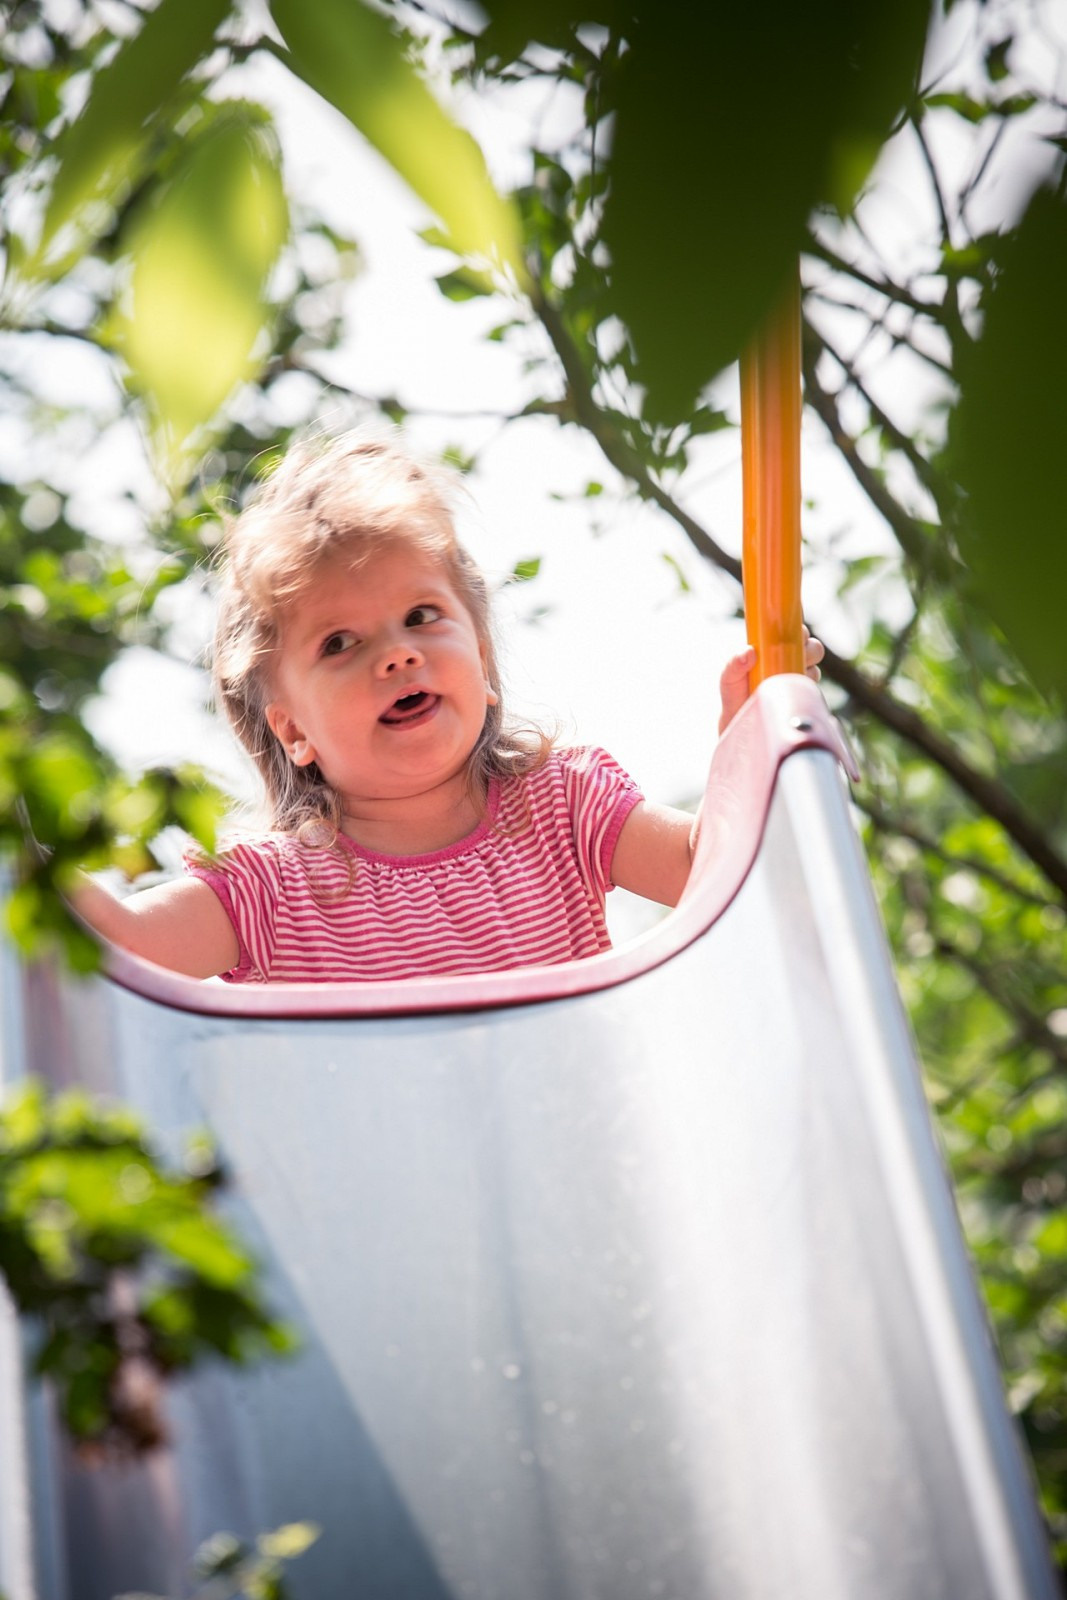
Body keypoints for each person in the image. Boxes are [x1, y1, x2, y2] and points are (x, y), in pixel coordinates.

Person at [73, 432, 823, 983]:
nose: (396, 654)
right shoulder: (272, 890)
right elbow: (123, 943)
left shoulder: (560, 807)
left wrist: (748, 748)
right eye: (340, 643)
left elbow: (712, 869)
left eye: (422, 617)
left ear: (484, 662)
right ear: (293, 729)